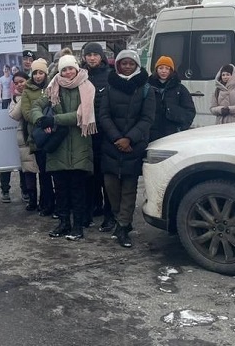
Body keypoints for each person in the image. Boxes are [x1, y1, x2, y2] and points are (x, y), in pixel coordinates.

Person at [31, 55, 97, 241]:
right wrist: (40, 120)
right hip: (58, 147)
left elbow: (80, 116)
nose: (68, 72)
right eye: (64, 69)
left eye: (70, 68)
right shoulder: (53, 86)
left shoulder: (87, 87)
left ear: (76, 68)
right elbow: (36, 106)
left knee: (78, 190)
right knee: (60, 189)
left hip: (79, 146)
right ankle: (63, 223)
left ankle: (78, 226)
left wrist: (54, 120)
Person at [97, 49, 155, 248]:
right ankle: (119, 218)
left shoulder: (145, 88)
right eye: (124, 63)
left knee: (129, 189)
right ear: (118, 65)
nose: (128, 66)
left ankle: (123, 225)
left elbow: (147, 118)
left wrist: (129, 138)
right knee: (111, 187)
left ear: (137, 65)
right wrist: (117, 138)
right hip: (112, 145)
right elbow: (104, 115)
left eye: (131, 63)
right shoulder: (110, 86)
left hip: (133, 146)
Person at [80, 42, 114, 232]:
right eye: (89, 54)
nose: (92, 58)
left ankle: (110, 214)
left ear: (101, 56)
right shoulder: (80, 76)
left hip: (105, 133)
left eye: (95, 54)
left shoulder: (110, 76)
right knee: (88, 175)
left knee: (106, 176)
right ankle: (93, 207)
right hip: (86, 133)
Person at [21, 58, 54, 215]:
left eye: (41, 73)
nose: (38, 76)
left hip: (53, 134)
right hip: (38, 136)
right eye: (35, 73)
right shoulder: (27, 91)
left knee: (55, 173)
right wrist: (42, 121)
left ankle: (55, 202)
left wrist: (52, 122)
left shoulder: (52, 86)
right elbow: (27, 113)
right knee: (44, 173)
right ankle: (47, 202)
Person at [8, 71, 38, 211]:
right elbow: (14, 115)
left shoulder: (36, 92)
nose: (19, 85)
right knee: (28, 170)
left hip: (39, 135)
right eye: (16, 83)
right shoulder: (15, 98)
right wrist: (24, 97)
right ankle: (32, 199)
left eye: (22, 81)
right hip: (24, 138)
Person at [148, 56, 196, 142]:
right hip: (151, 134)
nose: (164, 71)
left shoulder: (180, 89)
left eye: (167, 68)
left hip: (172, 135)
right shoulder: (147, 87)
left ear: (171, 71)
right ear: (156, 70)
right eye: (161, 68)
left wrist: (181, 128)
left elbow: (190, 111)